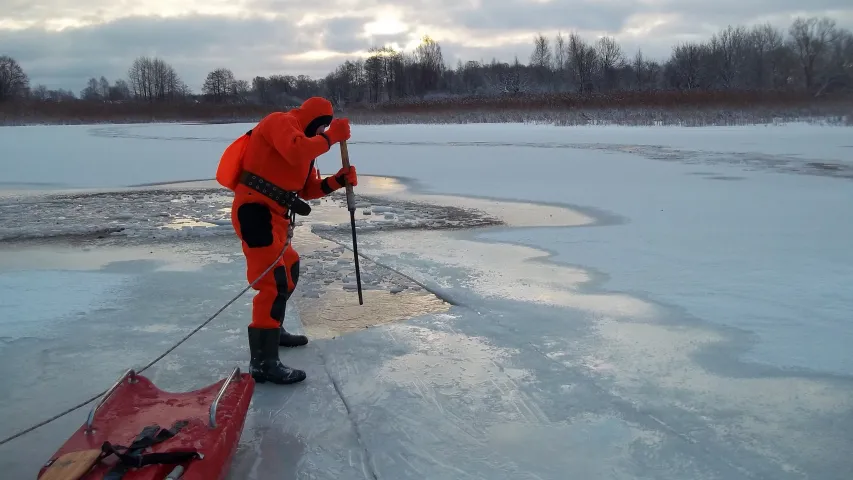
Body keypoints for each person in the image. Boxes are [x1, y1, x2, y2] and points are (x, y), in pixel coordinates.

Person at [215, 97, 357, 384]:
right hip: (254, 211)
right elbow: (295, 152)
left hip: (277, 217)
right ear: (313, 120)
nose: (320, 133)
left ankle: (274, 331)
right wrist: (332, 138)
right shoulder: (279, 122)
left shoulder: (307, 145)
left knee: (289, 270)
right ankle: (263, 363)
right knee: (272, 282)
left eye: (324, 130)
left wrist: (337, 181)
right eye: (320, 127)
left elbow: (307, 190)